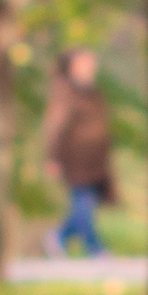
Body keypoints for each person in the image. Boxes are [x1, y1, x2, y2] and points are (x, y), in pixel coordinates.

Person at [43, 51, 112, 256]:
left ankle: (63, 236)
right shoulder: (65, 92)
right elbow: (55, 127)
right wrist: (52, 158)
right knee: (83, 202)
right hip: (74, 158)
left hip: (94, 159)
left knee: (86, 203)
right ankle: (93, 246)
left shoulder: (92, 92)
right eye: (84, 63)